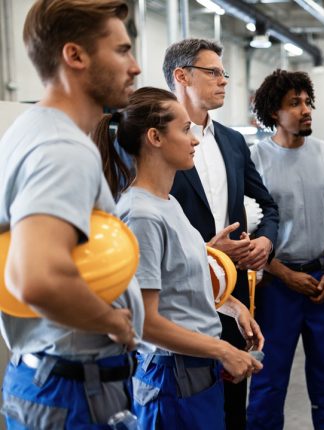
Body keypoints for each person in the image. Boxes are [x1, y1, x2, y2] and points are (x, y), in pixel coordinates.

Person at [0, 1, 144, 427]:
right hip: (73, 388)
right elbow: (37, 278)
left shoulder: (28, 131)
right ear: (75, 56)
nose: (135, 66)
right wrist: (113, 322)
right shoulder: (63, 150)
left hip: (46, 376)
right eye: (121, 51)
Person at [93, 87, 264, 429]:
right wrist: (223, 351)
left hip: (196, 368)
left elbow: (179, 282)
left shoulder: (168, 204)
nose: (195, 140)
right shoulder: (141, 214)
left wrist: (234, 306)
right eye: (185, 130)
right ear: (154, 137)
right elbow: (144, 322)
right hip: (171, 375)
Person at [162, 38, 280, 429]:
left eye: (222, 73)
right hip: (174, 301)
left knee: (232, 405)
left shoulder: (232, 142)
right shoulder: (157, 141)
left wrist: (264, 241)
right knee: (183, 404)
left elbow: (269, 205)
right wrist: (207, 250)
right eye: (213, 72)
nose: (223, 81)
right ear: (182, 76)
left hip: (231, 296)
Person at [246, 69, 324, 430]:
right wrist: (284, 273)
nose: (306, 110)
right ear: (274, 112)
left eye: (307, 102)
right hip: (276, 287)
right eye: (295, 104)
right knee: (268, 380)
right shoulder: (255, 160)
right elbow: (250, 231)